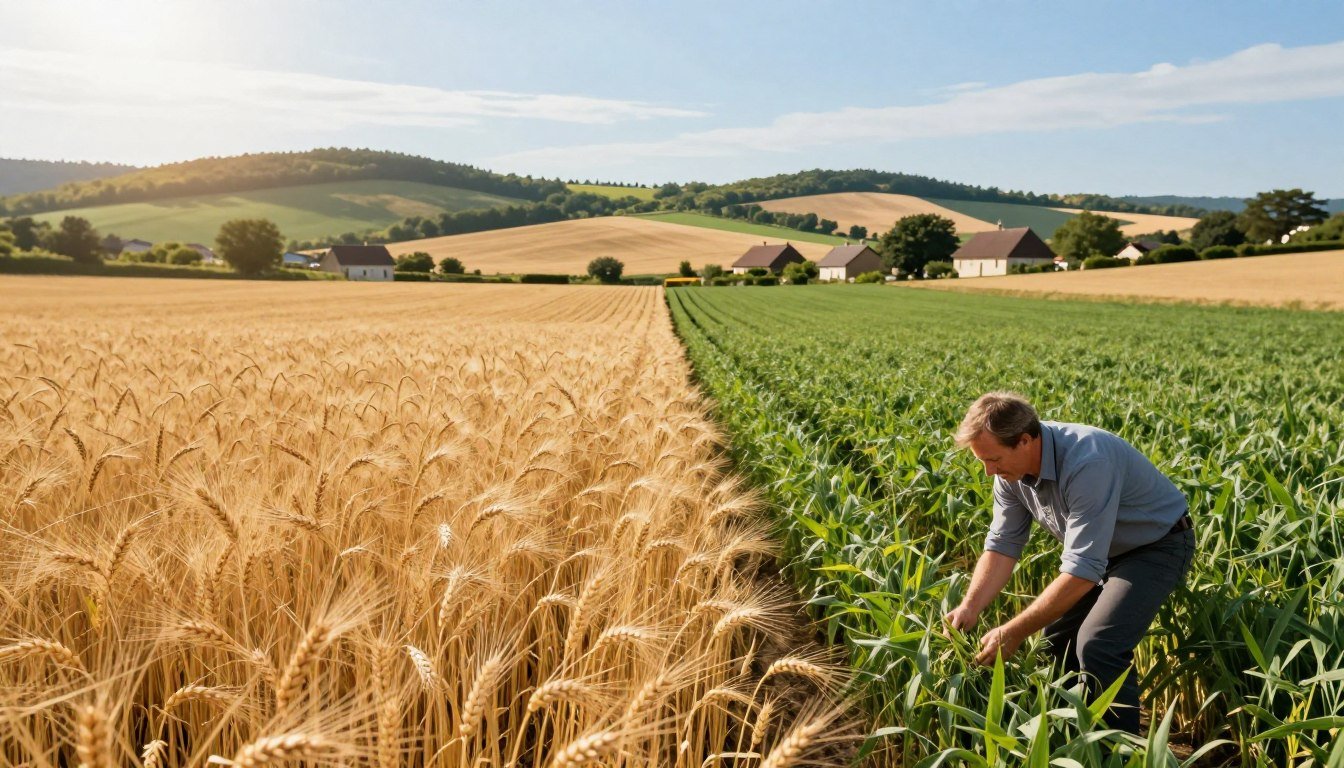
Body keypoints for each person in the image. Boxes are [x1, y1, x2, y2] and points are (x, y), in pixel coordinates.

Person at [943, 392, 1195, 734]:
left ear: (1025, 440)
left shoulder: (1088, 461)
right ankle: (1076, 738)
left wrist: (1012, 632)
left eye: (994, 459)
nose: (989, 472)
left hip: (1155, 546)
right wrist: (969, 607)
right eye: (982, 461)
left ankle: (1122, 751)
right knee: (1054, 642)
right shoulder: (1008, 473)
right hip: (1104, 551)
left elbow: (1082, 570)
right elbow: (1003, 545)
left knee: (1099, 644)